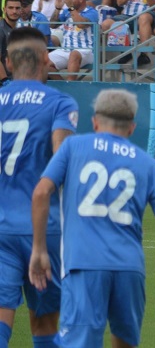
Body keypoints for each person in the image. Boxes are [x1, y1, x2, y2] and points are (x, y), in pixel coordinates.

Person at [29, 89, 155, 348]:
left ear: (95, 121)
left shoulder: (73, 147)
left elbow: (42, 192)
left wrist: (39, 248)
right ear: (132, 128)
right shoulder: (149, 164)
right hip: (130, 269)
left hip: (84, 265)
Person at [0, 26, 78, 348]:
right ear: (46, 59)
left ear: (7, 62)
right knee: (45, 323)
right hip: (44, 230)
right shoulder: (60, 103)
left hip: (1, 228)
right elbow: (63, 162)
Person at [48, 0, 99, 80]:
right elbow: (53, 25)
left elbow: (81, 24)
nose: (68, 1)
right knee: (42, 62)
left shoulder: (92, 12)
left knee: (74, 54)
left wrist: (71, 7)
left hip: (85, 50)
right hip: (66, 49)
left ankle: (71, 83)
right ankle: (65, 87)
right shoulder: (67, 12)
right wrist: (58, 8)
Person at [0, 0, 24, 85]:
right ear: (4, 9)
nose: (14, 11)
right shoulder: (1, 29)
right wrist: (5, 80)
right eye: (10, 8)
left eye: (17, 8)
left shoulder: (21, 30)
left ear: (21, 10)